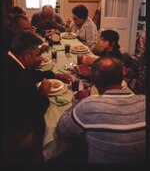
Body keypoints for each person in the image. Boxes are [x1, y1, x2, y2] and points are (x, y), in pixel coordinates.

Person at [56, 56, 145, 164]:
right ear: (122, 77)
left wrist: (77, 102)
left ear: (93, 81)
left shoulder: (88, 106)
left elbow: (62, 128)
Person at [2, 30, 51, 163]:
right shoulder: (18, 78)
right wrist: (43, 93)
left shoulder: (9, 60)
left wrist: (53, 75)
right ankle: (38, 156)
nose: (37, 59)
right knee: (51, 127)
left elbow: (28, 74)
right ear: (27, 55)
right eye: (36, 55)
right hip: (12, 132)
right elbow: (35, 110)